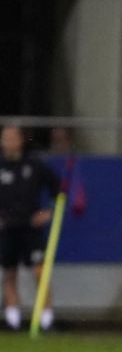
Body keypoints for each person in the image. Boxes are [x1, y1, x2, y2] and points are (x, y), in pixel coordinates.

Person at [0, 125, 60, 331]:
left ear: (21, 140)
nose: (8, 142)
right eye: (5, 138)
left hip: (31, 228)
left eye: (12, 137)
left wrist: (49, 211)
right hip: (7, 228)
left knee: (39, 272)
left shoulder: (35, 164)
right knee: (9, 273)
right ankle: (13, 320)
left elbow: (58, 189)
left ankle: (46, 319)